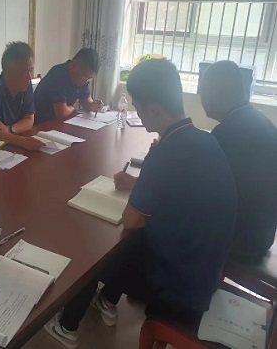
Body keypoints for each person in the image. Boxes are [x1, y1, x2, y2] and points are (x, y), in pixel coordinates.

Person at [44, 59, 237, 349]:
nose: (136, 110)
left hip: (179, 285)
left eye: (138, 105)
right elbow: (180, 191)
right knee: (130, 242)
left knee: (96, 247)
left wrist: (144, 183)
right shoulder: (205, 140)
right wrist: (139, 183)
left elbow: (131, 218)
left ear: (155, 109)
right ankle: (107, 301)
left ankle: (67, 326)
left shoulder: (166, 153)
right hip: (205, 271)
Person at [200, 60, 277, 258]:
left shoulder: (226, 134)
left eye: (205, 90)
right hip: (262, 233)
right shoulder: (259, 121)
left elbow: (199, 187)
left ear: (220, 92)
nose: (201, 96)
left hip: (240, 239)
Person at [0, 42, 44, 151]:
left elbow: (29, 120)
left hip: (11, 144)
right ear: (9, 72)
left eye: (31, 70)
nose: (29, 77)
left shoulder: (25, 85)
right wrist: (23, 142)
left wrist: (10, 129)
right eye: (25, 72)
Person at [34, 48, 104, 124]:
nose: (85, 81)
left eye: (89, 78)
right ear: (74, 65)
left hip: (59, 123)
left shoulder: (83, 79)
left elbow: (86, 101)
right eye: (84, 76)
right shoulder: (57, 74)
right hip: (41, 124)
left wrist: (93, 105)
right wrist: (73, 108)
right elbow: (62, 113)